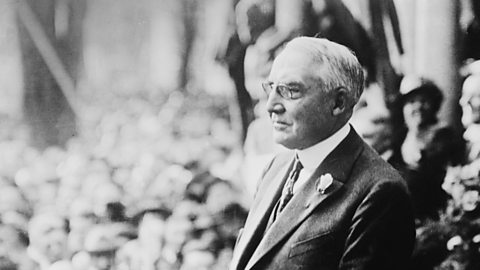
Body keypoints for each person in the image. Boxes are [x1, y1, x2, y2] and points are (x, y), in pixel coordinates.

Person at [229, 37, 415, 270]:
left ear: (338, 102)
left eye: (290, 90)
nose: (271, 105)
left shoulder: (380, 192)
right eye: (271, 88)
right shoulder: (276, 166)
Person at [389, 77, 463, 222]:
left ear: (434, 105)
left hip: (434, 217)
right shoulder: (399, 140)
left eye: (423, 101)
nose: (418, 107)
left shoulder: (443, 136)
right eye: (411, 102)